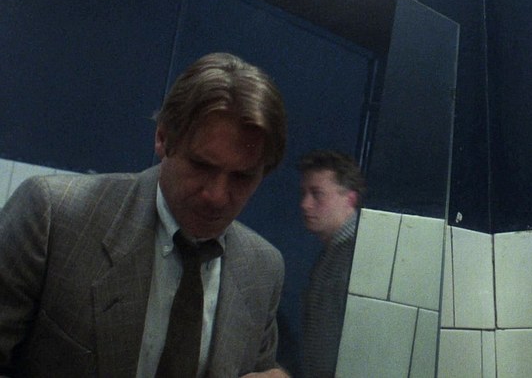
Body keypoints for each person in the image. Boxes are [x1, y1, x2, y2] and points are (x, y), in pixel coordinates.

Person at [0, 52, 292, 377]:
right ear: (162, 138)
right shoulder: (54, 217)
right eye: (201, 165)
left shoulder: (263, 270)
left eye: (242, 177)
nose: (217, 196)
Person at [297, 150, 366, 378]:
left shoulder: (360, 258)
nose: (305, 204)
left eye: (317, 194)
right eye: (303, 193)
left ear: (350, 199)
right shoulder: (333, 253)